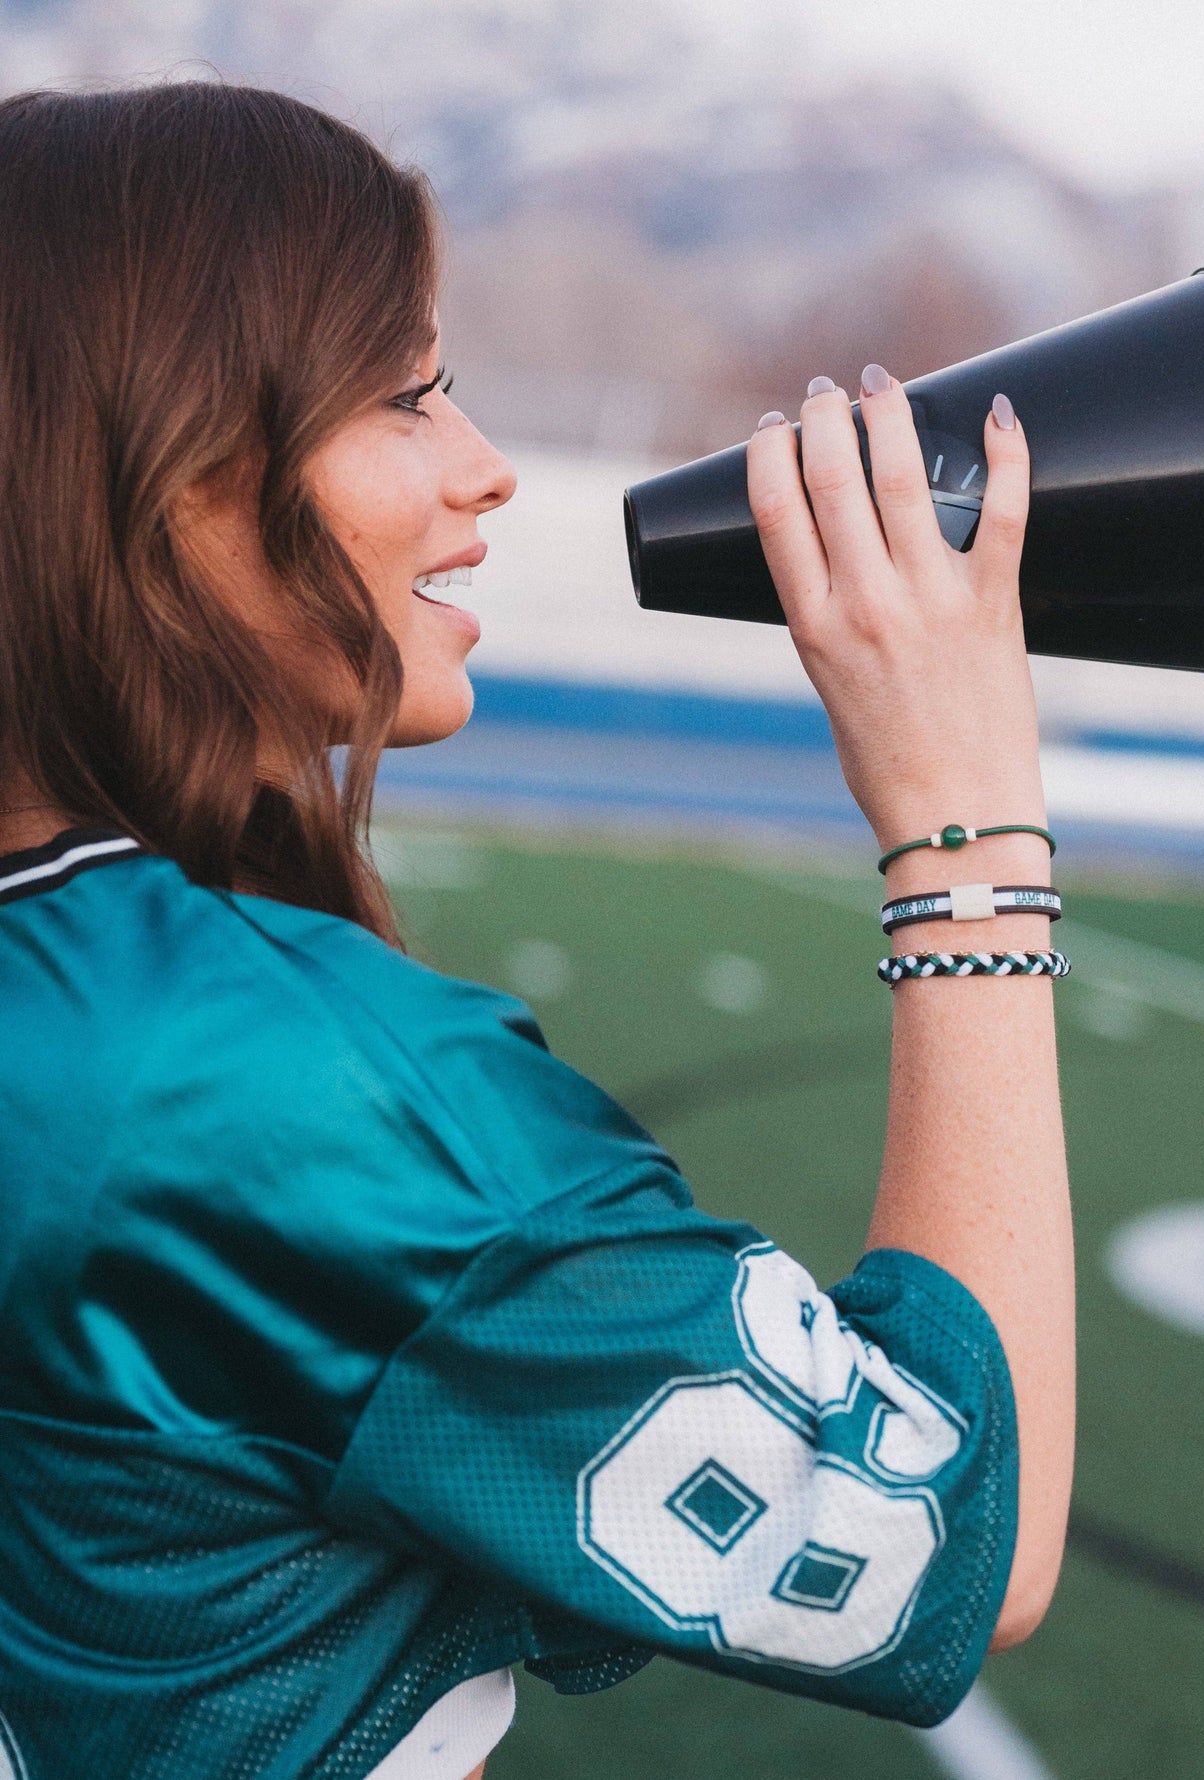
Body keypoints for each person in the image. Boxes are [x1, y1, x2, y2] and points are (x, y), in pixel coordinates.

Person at [0, 80, 1074, 1780]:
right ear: (169, 465)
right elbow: (945, 1537)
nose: (483, 468)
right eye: (408, 395)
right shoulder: (259, 1091)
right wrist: (968, 837)